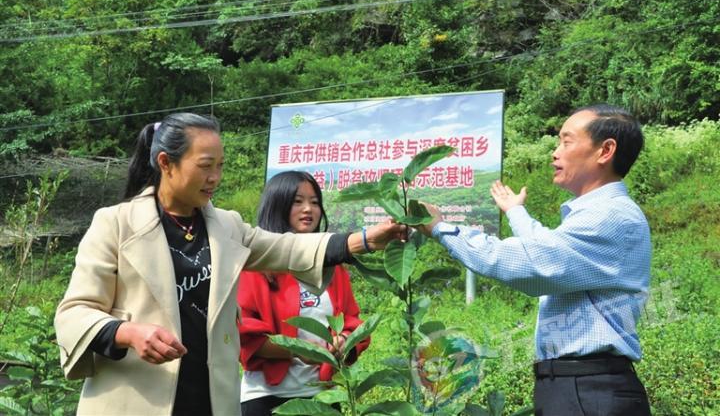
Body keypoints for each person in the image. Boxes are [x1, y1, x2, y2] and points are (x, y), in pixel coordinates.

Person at [54, 113, 403, 416]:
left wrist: (369, 238)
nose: (215, 177)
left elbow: (288, 247)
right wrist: (128, 333)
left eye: (220, 165)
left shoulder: (227, 227)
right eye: (205, 166)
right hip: (138, 397)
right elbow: (74, 312)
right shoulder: (116, 224)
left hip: (210, 398)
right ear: (165, 163)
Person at [417, 104, 652, 415]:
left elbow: (526, 262)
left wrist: (439, 227)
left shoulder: (610, 218)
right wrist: (516, 211)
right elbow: (551, 250)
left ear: (605, 151)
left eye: (567, 141)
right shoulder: (600, 215)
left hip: (588, 390)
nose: (555, 153)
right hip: (578, 386)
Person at [237, 171, 370, 415]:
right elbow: (244, 336)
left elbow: (352, 321)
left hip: (323, 396)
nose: (308, 209)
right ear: (277, 206)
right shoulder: (254, 268)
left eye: (315, 202)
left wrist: (344, 341)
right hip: (267, 397)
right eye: (297, 201)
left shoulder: (332, 268)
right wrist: (299, 349)